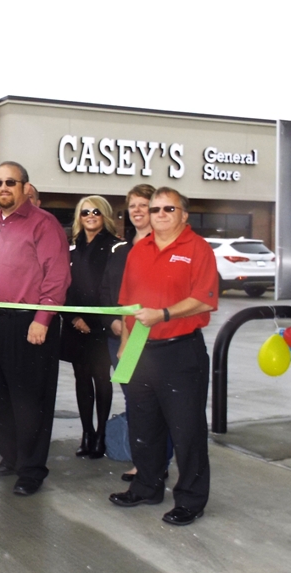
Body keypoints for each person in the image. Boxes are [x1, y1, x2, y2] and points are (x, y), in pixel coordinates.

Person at [109, 187, 217, 527]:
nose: (160, 215)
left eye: (168, 209)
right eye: (155, 209)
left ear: (184, 214)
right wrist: (125, 343)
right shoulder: (138, 250)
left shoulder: (197, 248)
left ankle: (191, 499)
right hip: (140, 350)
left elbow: (204, 299)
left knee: (187, 431)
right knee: (144, 424)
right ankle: (147, 486)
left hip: (180, 351)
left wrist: (164, 314)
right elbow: (128, 304)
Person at [0, 161, 70, 496]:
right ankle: (11, 457)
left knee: (30, 401)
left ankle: (31, 469)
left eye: (10, 182)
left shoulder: (44, 224)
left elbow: (57, 276)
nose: (3, 188)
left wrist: (42, 319)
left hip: (28, 324)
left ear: (25, 188)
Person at [101, 184, 155, 480]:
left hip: (147, 337)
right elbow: (108, 290)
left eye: (143, 205)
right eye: (132, 205)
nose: (137, 210)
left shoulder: (160, 246)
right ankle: (142, 458)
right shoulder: (120, 250)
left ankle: (152, 462)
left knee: (150, 401)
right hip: (118, 336)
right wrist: (113, 320)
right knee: (133, 398)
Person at [61, 196, 120, 459]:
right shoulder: (71, 248)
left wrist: (99, 321)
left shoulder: (115, 247)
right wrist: (74, 318)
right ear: (79, 217)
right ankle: (86, 433)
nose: (91, 216)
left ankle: (101, 435)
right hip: (76, 325)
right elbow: (63, 285)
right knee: (81, 379)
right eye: (85, 212)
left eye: (96, 211)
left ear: (104, 215)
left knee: (102, 379)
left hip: (102, 327)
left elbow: (113, 288)